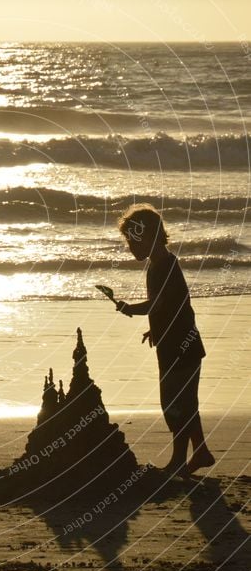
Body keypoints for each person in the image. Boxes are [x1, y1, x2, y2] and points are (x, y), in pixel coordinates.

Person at [115, 203, 215, 477]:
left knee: (175, 402)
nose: (130, 246)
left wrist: (131, 309)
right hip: (180, 341)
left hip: (180, 345)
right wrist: (155, 329)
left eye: (134, 240)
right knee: (185, 400)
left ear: (151, 237)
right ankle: (201, 450)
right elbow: (173, 304)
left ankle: (179, 461)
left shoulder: (164, 265)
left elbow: (159, 304)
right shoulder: (159, 264)